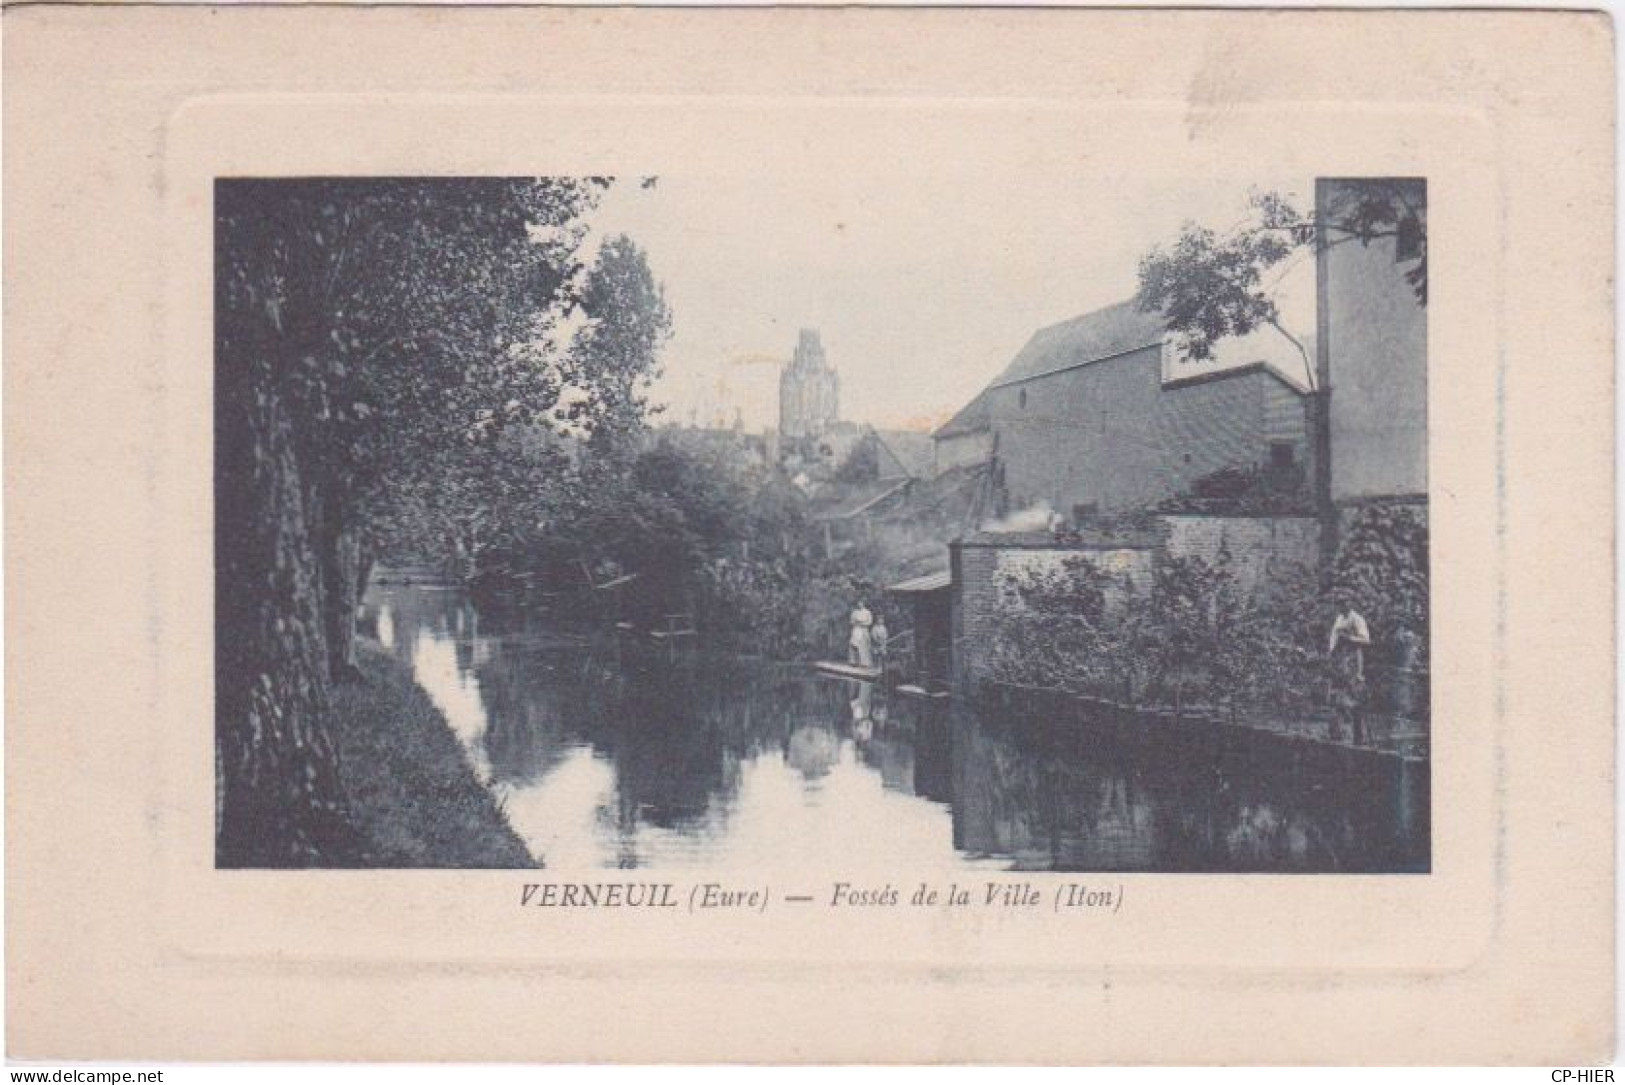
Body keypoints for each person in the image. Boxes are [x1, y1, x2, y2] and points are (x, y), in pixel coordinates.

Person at [1328, 601, 1372, 744]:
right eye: (1338, 604)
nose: (1339, 607)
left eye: (1342, 604)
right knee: (1336, 694)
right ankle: (1336, 733)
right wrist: (1332, 653)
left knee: (1354, 694)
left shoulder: (1357, 619)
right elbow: (1333, 638)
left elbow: (1366, 640)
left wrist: (1350, 638)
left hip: (1352, 657)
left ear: (1349, 605)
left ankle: (1359, 735)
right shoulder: (1339, 619)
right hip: (1339, 659)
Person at [849, 599, 874, 668]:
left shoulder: (867, 612)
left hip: (864, 630)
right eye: (858, 603)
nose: (859, 604)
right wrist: (856, 623)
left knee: (864, 646)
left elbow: (870, 622)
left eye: (861, 603)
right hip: (856, 629)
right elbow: (851, 621)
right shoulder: (855, 612)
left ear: (863, 604)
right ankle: (853, 662)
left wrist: (862, 623)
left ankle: (864, 663)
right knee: (853, 645)